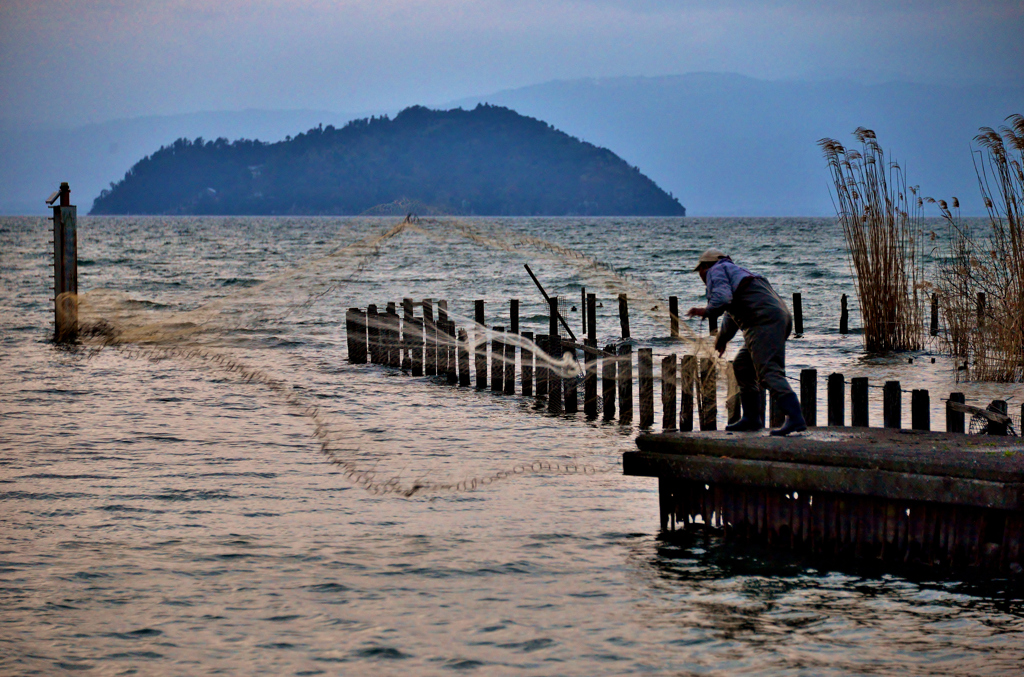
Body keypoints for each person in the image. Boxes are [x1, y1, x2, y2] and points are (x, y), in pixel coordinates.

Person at [686, 249, 806, 436]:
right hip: (777, 318)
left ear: (705, 266)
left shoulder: (715, 270)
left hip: (763, 322)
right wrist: (723, 338)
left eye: (700, 271)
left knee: (768, 371)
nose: (701, 276)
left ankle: (795, 417)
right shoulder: (738, 272)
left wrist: (705, 311)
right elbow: (731, 311)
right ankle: (751, 418)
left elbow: (722, 299)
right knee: (742, 365)